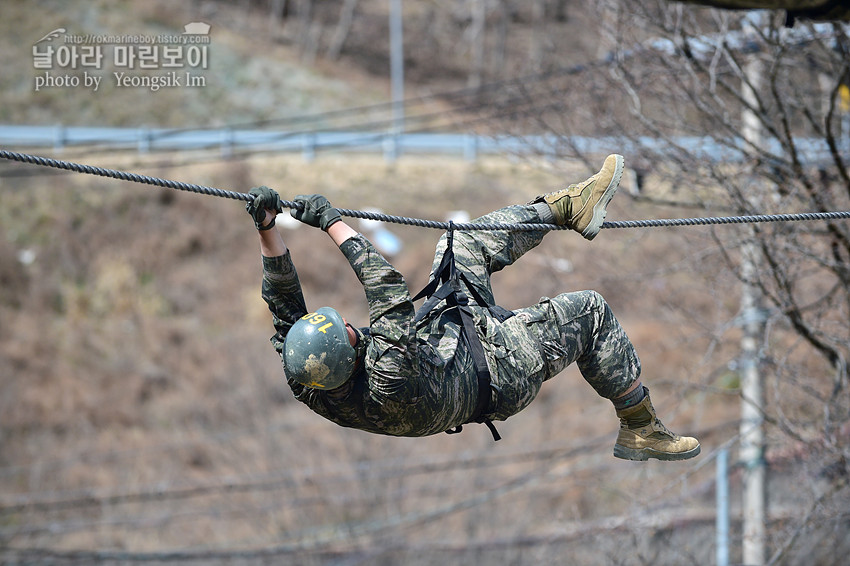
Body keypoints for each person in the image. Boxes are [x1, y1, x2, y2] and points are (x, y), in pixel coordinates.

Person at [248, 154, 700, 461]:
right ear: (349, 357)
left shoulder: (307, 374)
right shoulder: (387, 378)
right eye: (345, 330)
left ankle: (566, 208)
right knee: (590, 311)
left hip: (451, 345)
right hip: (498, 374)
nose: (349, 324)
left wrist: (268, 227)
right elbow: (385, 287)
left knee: (457, 240)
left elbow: (284, 305)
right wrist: (331, 223)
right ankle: (640, 425)